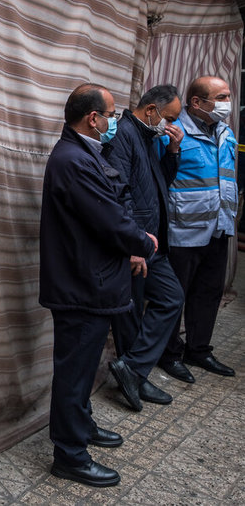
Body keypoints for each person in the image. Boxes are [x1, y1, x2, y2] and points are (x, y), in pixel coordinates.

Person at [39, 83, 157, 487]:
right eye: (110, 114)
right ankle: (69, 455)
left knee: (83, 368)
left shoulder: (84, 153)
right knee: (73, 373)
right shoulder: (73, 160)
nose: (113, 122)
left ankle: (82, 428)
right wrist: (142, 242)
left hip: (90, 281)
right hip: (80, 286)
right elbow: (108, 218)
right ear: (93, 118)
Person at [103, 85, 185, 411]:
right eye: (170, 118)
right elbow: (116, 192)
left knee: (171, 298)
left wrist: (174, 150)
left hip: (152, 242)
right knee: (131, 314)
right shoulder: (123, 135)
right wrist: (131, 245)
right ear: (151, 110)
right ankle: (135, 373)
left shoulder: (149, 138)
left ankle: (133, 368)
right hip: (136, 243)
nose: (170, 125)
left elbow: (161, 182)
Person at [157, 76, 238, 380]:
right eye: (221, 97)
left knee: (209, 292)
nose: (227, 103)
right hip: (184, 230)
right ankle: (169, 353)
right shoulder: (173, 132)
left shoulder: (226, 132)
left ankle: (199, 349)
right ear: (197, 102)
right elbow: (159, 178)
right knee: (175, 296)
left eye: (227, 96)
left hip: (218, 227)